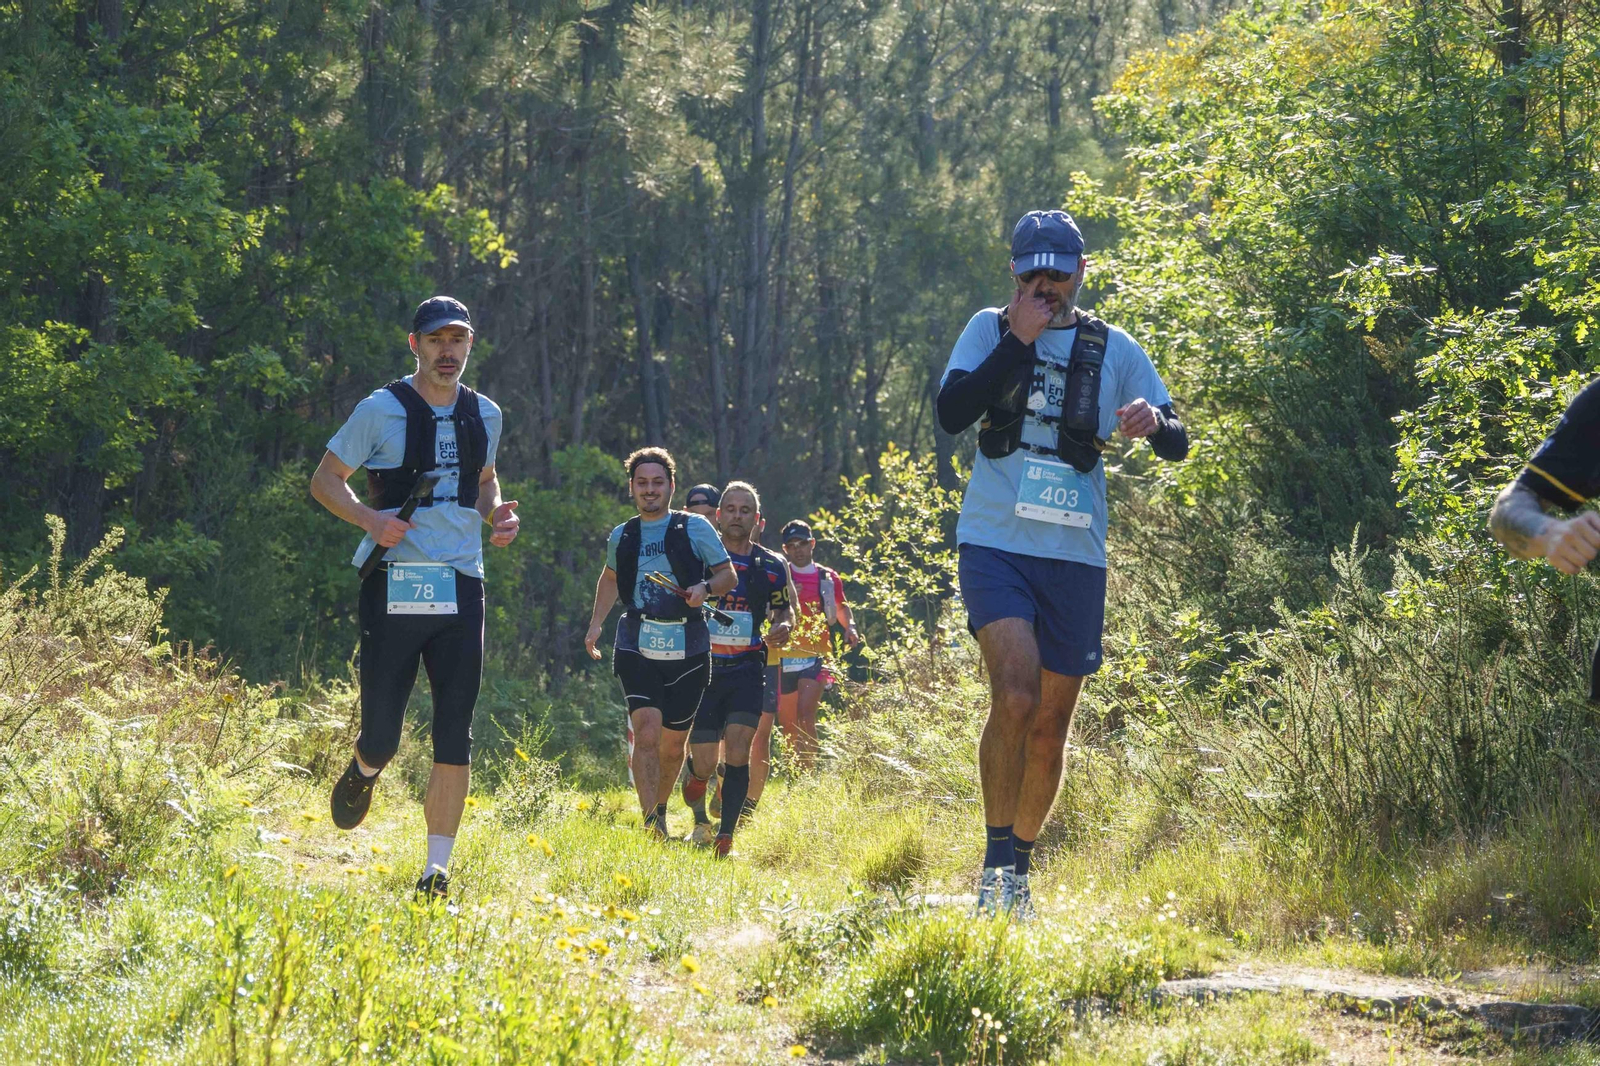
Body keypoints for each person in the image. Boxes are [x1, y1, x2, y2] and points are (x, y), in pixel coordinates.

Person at [936, 210, 1188, 918]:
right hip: (995, 542)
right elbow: (952, 412)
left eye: (1058, 273)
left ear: (1081, 271)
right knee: (1015, 695)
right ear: (1014, 273)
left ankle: (1019, 870)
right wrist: (1017, 342)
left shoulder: (1116, 348)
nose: (1045, 286)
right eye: (1033, 274)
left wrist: (1153, 422)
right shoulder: (988, 329)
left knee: (1050, 726)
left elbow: (1178, 440)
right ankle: (993, 868)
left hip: (1075, 554)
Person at [311, 295, 520, 898]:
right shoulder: (380, 410)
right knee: (382, 733)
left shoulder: (486, 413)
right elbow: (325, 481)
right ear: (415, 345)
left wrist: (497, 517)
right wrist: (370, 520)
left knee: (455, 726)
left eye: (458, 340)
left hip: (462, 582)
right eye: (435, 340)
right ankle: (365, 767)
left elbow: (483, 483)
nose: (447, 351)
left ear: (470, 345)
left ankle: (436, 871)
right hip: (395, 580)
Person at [585, 449, 736, 838]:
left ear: (671, 486)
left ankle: (662, 807)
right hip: (636, 640)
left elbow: (727, 576)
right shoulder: (623, 535)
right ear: (631, 487)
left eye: (657, 483)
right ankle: (652, 821)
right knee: (647, 731)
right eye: (642, 483)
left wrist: (705, 588)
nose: (649, 490)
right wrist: (596, 624)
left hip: (689, 644)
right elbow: (610, 578)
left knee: (672, 747)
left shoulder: (694, 528)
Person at [682, 481, 795, 856]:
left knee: (739, 749)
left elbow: (784, 609)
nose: (737, 516)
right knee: (705, 761)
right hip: (703, 670)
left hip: (747, 668)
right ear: (718, 515)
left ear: (757, 519)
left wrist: (784, 625)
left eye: (745, 511)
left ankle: (726, 834)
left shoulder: (771, 565)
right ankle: (697, 777)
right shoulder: (699, 558)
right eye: (730, 509)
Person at [773, 520, 858, 773]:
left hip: (817, 654)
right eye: (791, 545)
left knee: (805, 715)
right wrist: (788, 595)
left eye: (802, 543)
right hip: (784, 655)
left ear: (812, 544)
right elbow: (766, 609)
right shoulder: (779, 575)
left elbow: (841, 606)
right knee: (788, 723)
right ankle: (794, 774)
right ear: (785, 549)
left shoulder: (827, 577)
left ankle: (809, 772)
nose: (797, 549)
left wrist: (850, 627)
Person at [678, 483, 723, 839]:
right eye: (696, 515)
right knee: (698, 746)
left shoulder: (731, 556)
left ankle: (724, 790)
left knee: (730, 745)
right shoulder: (679, 554)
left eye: (709, 515)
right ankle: (700, 821)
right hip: (691, 658)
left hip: (734, 663)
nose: (703, 521)